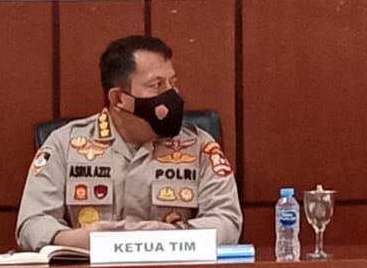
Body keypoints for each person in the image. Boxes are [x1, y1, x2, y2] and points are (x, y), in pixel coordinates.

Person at [16, 35, 243, 250]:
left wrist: (171, 236)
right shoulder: (64, 144)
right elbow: (32, 223)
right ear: (118, 99)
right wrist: (80, 240)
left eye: (172, 83)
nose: (172, 94)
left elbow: (227, 222)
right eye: (156, 85)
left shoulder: (199, 145)